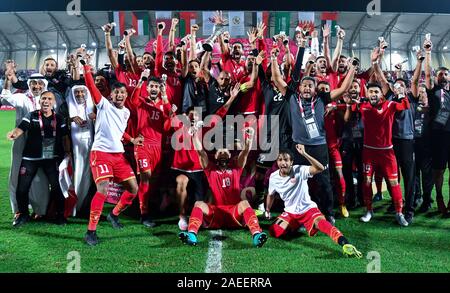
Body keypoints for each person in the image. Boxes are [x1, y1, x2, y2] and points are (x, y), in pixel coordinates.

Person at [81, 61, 140, 246]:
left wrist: (131, 139)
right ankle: (91, 231)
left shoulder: (126, 113)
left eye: (122, 92)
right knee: (103, 190)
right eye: (116, 92)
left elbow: (118, 130)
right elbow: (91, 86)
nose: (120, 95)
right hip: (101, 153)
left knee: (133, 189)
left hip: (119, 156)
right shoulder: (104, 105)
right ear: (111, 94)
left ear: (125, 94)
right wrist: (86, 68)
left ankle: (113, 215)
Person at [178, 127, 268, 247]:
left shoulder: (236, 167)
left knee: (245, 203)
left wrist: (249, 138)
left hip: (234, 212)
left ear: (230, 155)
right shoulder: (210, 169)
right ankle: (192, 235)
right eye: (220, 152)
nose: (223, 154)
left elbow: (245, 152)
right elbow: (201, 152)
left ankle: (256, 234)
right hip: (216, 212)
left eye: (225, 152)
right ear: (215, 156)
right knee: (198, 204)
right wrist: (194, 135)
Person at [266, 148, 362, 258]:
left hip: (308, 210)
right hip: (290, 212)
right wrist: (267, 209)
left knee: (322, 223)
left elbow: (319, 168)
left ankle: (345, 243)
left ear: (291, 162)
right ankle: (297, 226)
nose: (283, 163)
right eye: (280, 160)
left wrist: (304, 154)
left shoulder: (299, 170)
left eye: (286, 160)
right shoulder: (273, 177)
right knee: (274, 231)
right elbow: (271, 194)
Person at [349, 71, 410, 226]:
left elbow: (404, 106)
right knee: (367, 182)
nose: (373, 94)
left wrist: (401, 94)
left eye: (376, 91)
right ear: (367, 93)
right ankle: (369, 210)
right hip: (368, 152)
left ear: (382, 94)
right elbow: (351, 106)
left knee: (394, 182)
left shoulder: (389, 105)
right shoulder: (364, 106)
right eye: (370, 91)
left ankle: (399, 213)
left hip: (387, 153)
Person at [7, 91, 71, 226]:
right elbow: (21, 128)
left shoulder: (59, 118)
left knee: (56, 187)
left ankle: (60, 215)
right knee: (22, 187)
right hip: (30, 158)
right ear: (40, 101)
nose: (46, 101)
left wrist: (67, 152)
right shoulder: (32, 115)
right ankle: (23, 215)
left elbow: (65, 137)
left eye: (49, 99)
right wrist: (14, 133)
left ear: (54, 102)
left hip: (51, 158)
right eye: (43, 99)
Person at [1, 70, 51, 218]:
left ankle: (40, 210)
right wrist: (8, 80)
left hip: (42, 144)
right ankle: (19, 210)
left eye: (40, 83)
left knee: (41, 177)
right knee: (16, 175)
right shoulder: (22, 98)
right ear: (29, 85)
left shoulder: (48, 100)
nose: (36, 86)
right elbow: (5, 99)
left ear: (44, 85)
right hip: (21, 142)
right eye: (33, 83)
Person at [424, 37, 450, 215]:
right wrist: (428, 53)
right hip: (438, 136)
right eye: (440, 74)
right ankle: (439, 197)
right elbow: (427, 75)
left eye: (446, 74)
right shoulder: (433, 90)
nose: (443, 76)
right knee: (439, 169)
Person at [67, 85, 95, 215]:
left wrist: (96, 117)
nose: (79, 95)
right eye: (76, 92)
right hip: (74, 148)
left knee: (90, 177)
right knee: (76, 175)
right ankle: (73, 207)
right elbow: (58, 120)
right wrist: (71, 119)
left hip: (92, 146)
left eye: (82, 92)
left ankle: (86, 207)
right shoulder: (67, 106)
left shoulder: (92, 105)